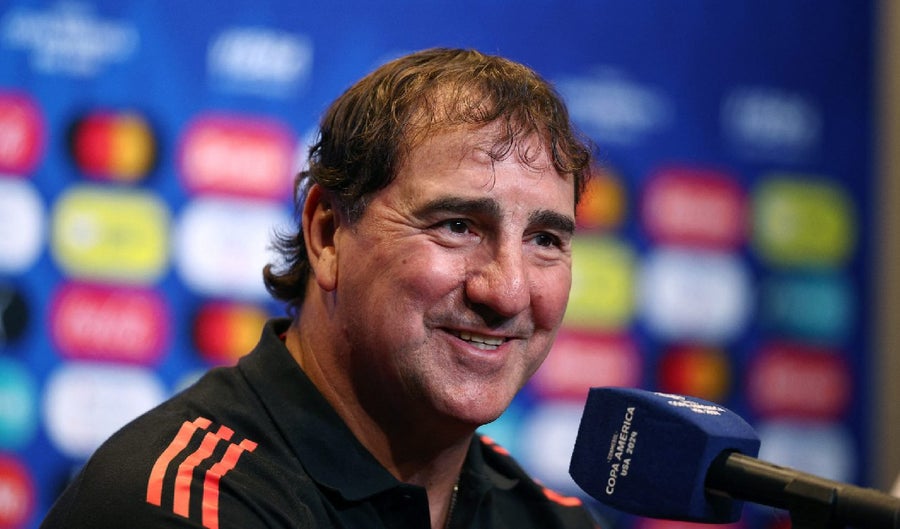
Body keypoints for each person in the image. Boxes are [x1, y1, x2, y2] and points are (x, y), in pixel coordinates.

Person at [40, 47, 597, 529]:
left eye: (545, 240)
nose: (508, 291)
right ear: (327, 235)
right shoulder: (180, 507)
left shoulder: (554, 520)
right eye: (457, 226)